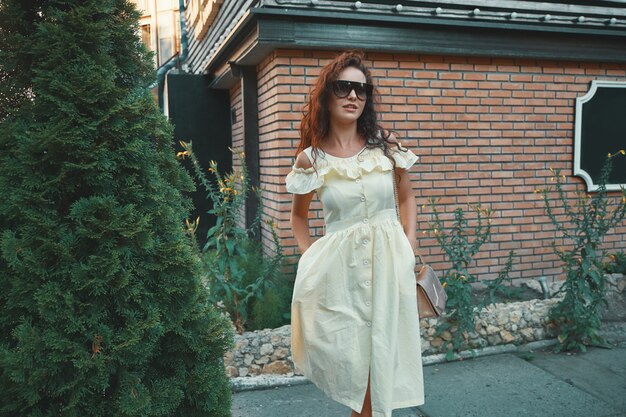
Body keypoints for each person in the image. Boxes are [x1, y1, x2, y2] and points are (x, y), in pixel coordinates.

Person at [285, 51, 424, 417]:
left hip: (388, 267)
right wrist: (308, 254)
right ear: (327, 95)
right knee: (354, 365)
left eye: (362, 90)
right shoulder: (311, 159)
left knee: (378, 368)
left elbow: (407, 198)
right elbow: (298, 218)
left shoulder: (385, 144)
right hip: (340, 274)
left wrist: (410, 244)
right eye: (344, 87)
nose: (353, 96)